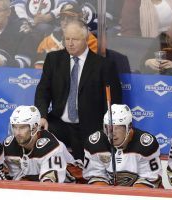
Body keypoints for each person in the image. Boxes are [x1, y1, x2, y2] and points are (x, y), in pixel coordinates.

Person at [35, 19, 122, 160]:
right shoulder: (53, 59)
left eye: (75, 39)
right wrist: (42, 116)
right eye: (67, 38)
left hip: (90, 126)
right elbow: (43, 91)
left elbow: (113, 101)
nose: (70, 43)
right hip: (58, 123)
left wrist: (108, 127)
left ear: (86, 38)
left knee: (86, 168)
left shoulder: (104, 65)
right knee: (37, 137)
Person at [83, 104, 162, 187]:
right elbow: (95, 177)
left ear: (129, 127)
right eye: (108, 128)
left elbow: (150, 180)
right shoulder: (95, 144)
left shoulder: (146, 145)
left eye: (117, 128)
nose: (112, 133)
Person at [3, 105, 83, 182]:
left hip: (72, 186)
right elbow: (17, 180)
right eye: (14, 127)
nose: (17, 133)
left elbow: (49, 186)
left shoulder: (51, 147)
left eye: (22, 127)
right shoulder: (10, 146)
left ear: (34, 128)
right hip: (36, 186)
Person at [34, 2, 98, 69]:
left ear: (80, 20)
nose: (65, 21)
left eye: (70, 18)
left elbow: (92, 71)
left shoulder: (90, 41)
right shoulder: (48, 41)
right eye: (62, 18)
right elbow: (38, 69)